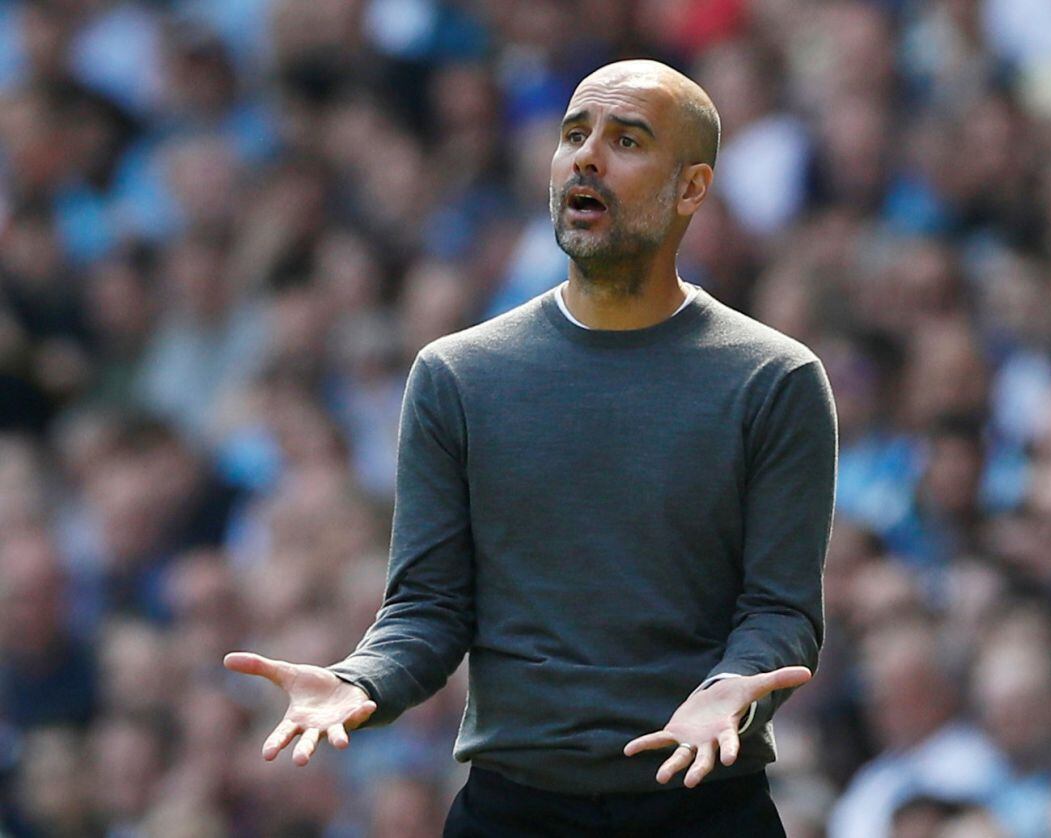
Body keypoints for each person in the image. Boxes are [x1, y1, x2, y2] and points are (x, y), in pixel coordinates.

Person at [225, 59, 837, 837]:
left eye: (627, 139)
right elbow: (428, 606)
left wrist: (734, 686)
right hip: (514, 809)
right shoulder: (458, 376)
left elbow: (780, 610)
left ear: (692, 188)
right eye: (574, 134)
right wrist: (362, 678)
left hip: (705, 803)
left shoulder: (774, 379)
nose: (586, 157)